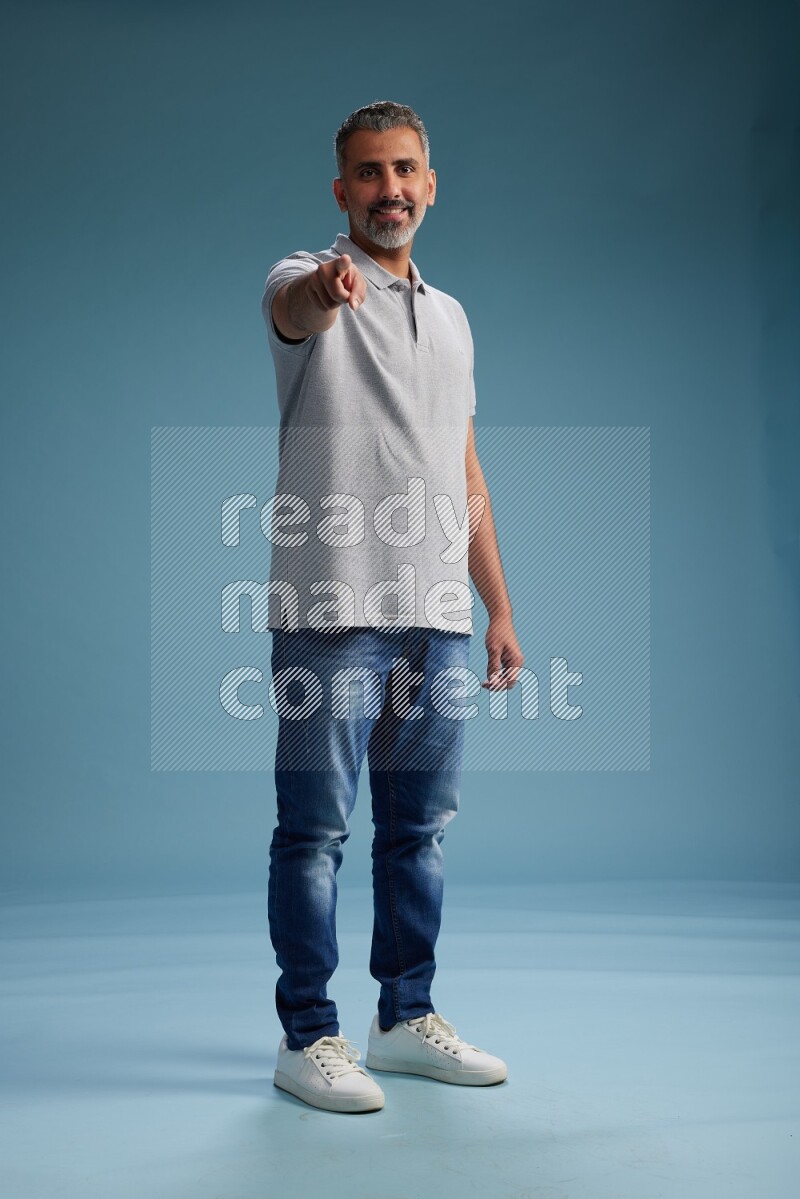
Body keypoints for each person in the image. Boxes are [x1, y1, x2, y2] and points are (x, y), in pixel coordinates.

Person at [260, 100, 524, 1113]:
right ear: (341, 192)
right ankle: (308, 1035)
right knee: (313, 832)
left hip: (436, 614)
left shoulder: (451, 317)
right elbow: (295, 307)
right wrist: (326, 293)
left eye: (405, 169)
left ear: (430, 182)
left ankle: (402, 1016)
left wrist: (496, 606)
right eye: (368, 174)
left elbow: (464, 476)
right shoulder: (303, 281)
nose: (389, 189)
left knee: (420, 829)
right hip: (329, 605)